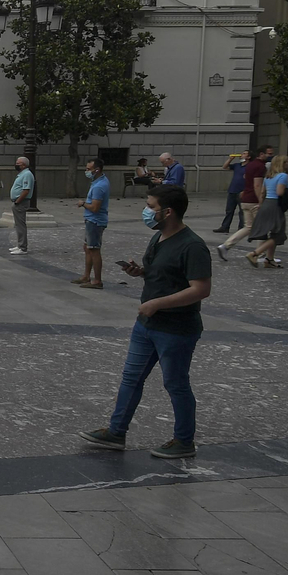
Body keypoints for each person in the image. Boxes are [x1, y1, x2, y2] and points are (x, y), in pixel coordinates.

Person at [79, 184, 212, 458]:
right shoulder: (159, 237)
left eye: (151, 206)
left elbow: (200, 289)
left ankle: (184, 441)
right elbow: (162, 274)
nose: (146, 211)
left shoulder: (193, 246)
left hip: (176, 328)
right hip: (147, 325)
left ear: (168, 211)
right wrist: (140, 272)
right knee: (131, 377)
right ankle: (116, 432)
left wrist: (156, 304)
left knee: (176, 384)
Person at [220, 144, 273, 259]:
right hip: (253, 200)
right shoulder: (259, 167)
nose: (271, 155)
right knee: (262, 227)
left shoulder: (251, 165)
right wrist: (261, 201)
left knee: (248, 227)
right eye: (269, 153)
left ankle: (226, 245)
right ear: (261, 154)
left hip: (246, 199)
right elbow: (257, 185)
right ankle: (260, 253)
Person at [248, 155, 288, 269]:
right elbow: (279, 192)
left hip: (266, 204)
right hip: (275, 205)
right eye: (287, 161)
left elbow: (262, 193)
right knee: (278, 234)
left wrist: (260, 204)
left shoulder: (268, 176)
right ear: (282, 164)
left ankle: (269, 259)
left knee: (274, 233)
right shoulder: (283, 176)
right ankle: (254, 254)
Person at [74, 158, 109, 289]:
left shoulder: (100, 186)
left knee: (94, 249)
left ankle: (97, 280)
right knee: (88, 248)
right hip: (91, 220)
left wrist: (83, 203)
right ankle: (86, 276)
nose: (86, 171)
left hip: (95, 221)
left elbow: (95, 207)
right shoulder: (98, 181)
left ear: (97, 170)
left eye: (88, 169)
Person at [8, 156, 35, 255]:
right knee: (18, 225)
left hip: (20, 202)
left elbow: (26, 190)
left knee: (20, 225)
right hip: (18, 202)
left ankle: (22, 247)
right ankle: (20, 245)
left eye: (18, 163)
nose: (16, 165)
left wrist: (17, 201)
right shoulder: (22, 174)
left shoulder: (27, 174)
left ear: (23, 165)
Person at [216, 151, 247, 234]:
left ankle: (241, 228)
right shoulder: (237, 165)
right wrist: (230, 159)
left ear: (249, 156)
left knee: (242, 211)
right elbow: (225, 167)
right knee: (229, 210)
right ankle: (225, 226)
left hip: (242, 191)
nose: (241, 155)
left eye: (244, 154)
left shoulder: (249, 166)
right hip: (232, 190)